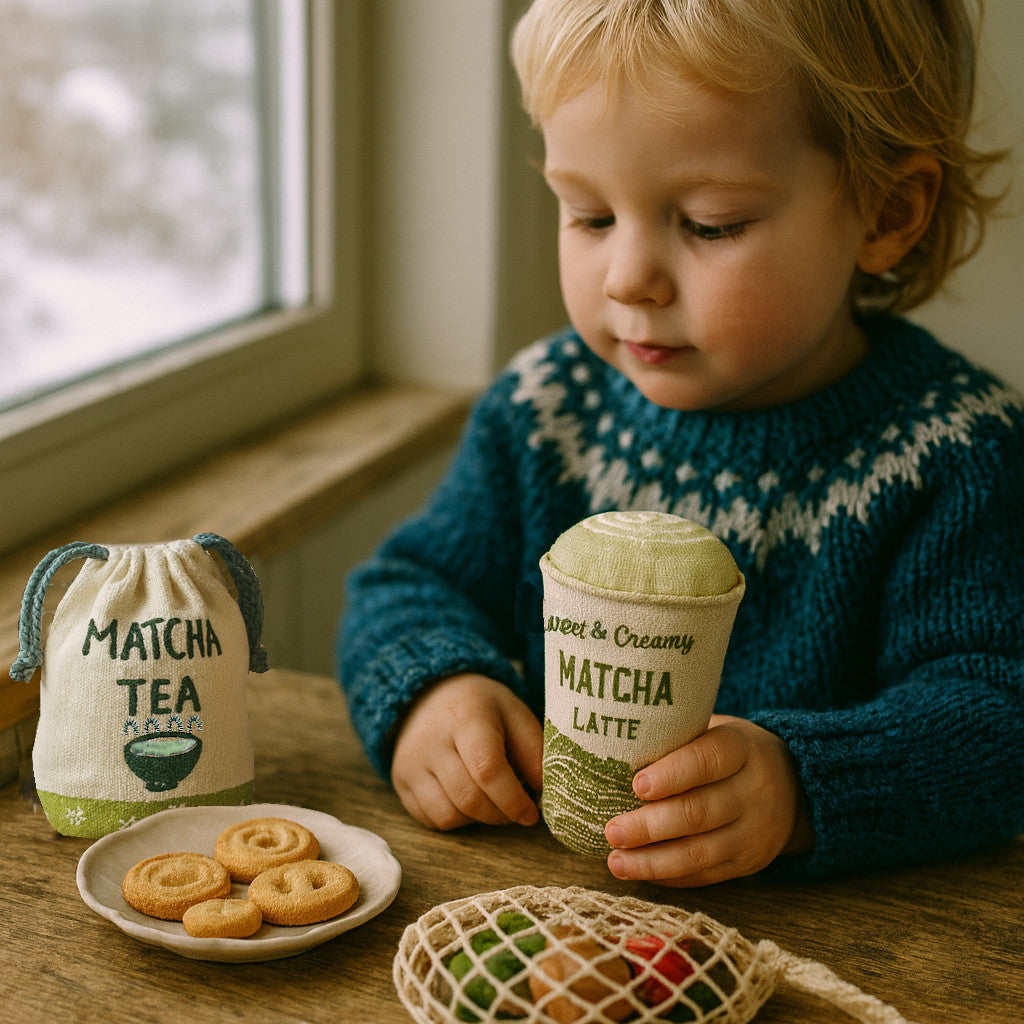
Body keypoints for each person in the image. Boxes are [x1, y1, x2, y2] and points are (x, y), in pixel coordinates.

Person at [337, 0, 1024, 886]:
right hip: (549, 906)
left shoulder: (954, 453)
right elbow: (408, 585)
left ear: (887, 212)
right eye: (587, 215)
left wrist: (805, 786)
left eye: (709, 224)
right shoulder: (547, 406)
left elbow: (999, 710)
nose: (628, 278)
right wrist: (433, 689)